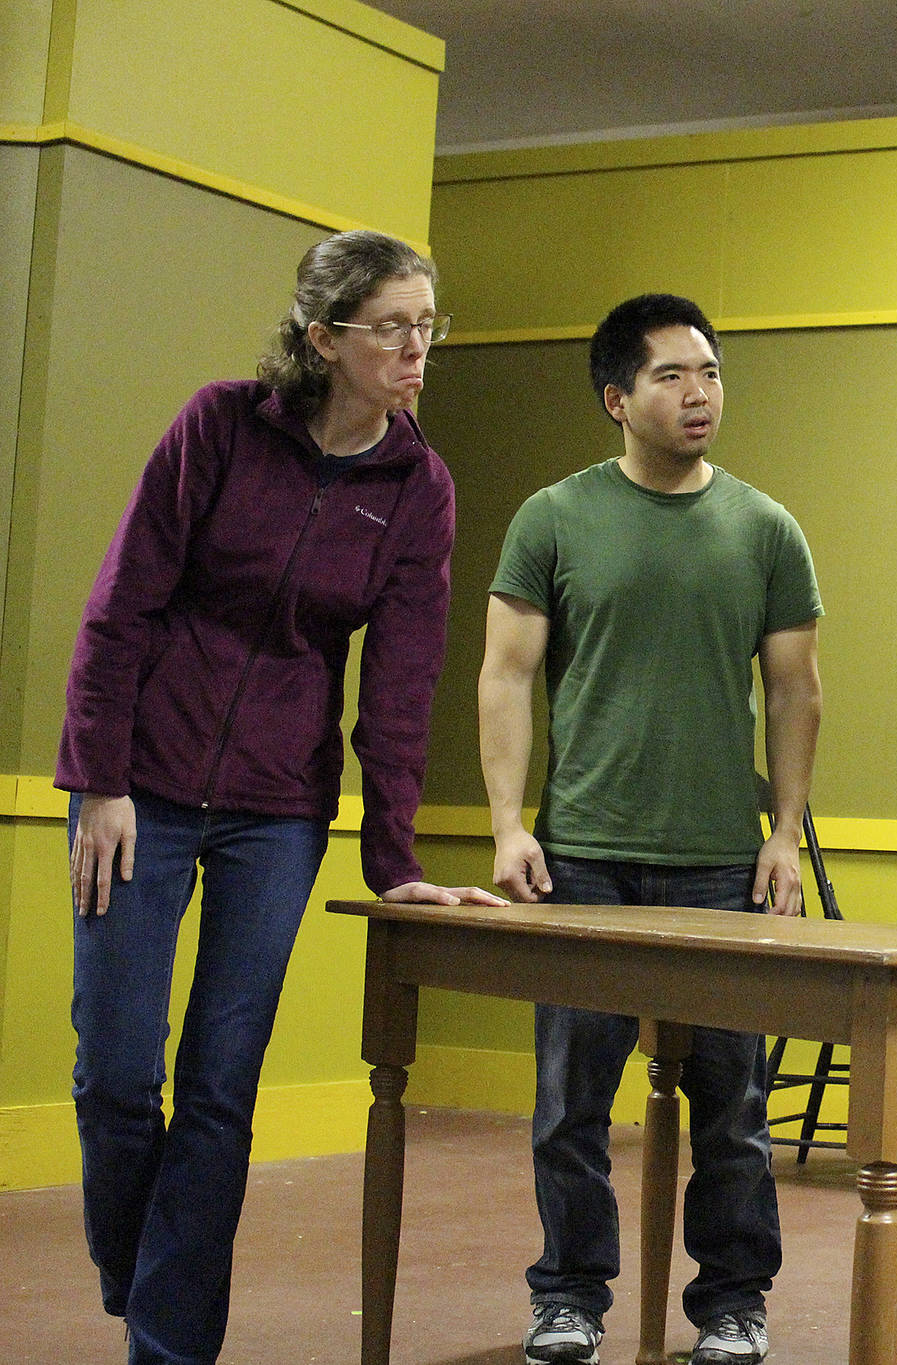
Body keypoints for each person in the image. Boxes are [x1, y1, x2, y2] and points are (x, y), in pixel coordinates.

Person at [58, 230, 505, 1365]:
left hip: (277, 809)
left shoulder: (420, 487)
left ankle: (170, 1346)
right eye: (393, 328)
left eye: (427, 325)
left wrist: (392, 857)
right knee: (116, 1073)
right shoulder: (218, 426)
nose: (417, 350)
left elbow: (402, 680)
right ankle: (136, 1266)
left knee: (220, 1086)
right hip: (139, 794)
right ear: (323, 339)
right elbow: (120, 607)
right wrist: (99, 778)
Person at [478, 292, 823, 1365]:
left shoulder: (766, 527)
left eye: (710, 372)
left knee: (732, 1107)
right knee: (570, 1103)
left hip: (722, 862)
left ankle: (731, 1302)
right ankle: (570, 1294)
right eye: (672, 375)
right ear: (616, 399)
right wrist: (505, 826)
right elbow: (505, 675)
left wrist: (784, 834)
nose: (698, 393)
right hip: (581, 852)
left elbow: (797, 693)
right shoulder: (552, 517)